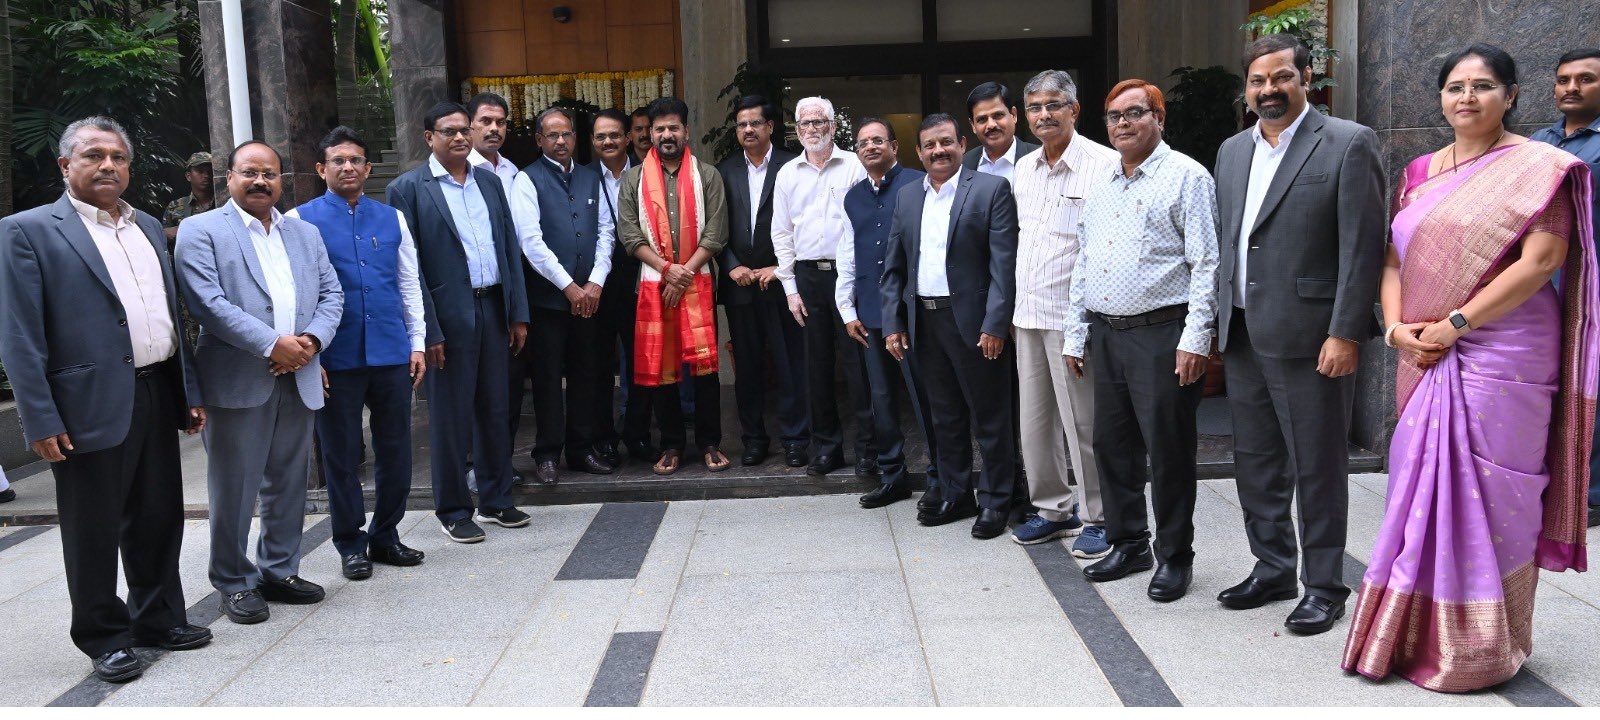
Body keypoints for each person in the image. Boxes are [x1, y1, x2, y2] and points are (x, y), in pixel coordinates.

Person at [1343, 44, 1597, 693]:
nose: (1467, 97)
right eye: (1455, 86)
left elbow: (1542, 261)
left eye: (1483, 86)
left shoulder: (1540, 169)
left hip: (1506, 352)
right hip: (1423, 350)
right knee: (1417, 482)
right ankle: (1407, 635)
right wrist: (1396, 329)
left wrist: (1455, 324)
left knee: (1497, 494)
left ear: (1510, 95)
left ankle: (1484, 645)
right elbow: (1393, 260)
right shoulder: (1419, 171)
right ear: (1440, 98)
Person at [0, 116, 210, 682]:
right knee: (92, 526)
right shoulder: (27, 230)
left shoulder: (147, 226)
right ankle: (103, 635)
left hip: (155, 389)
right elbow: (18, 335)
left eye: (118, 157)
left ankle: (158, 618)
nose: (108, 166)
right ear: (66, 165)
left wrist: (187, 390)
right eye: (93, 155)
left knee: (158, 515)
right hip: (83, 404)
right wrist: (39, 417)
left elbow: (169, 315)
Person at [1211, 35, 1386, 634]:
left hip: (1313, 338)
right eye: (1258, 80)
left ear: (1306, 78)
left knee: (1317, 466)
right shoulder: (1232, 151)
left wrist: (1346, 332)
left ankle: (1325, 585)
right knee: (1256, 462)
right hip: (1242, 332)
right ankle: (1273, 568)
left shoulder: (1348, 142)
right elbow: (1231, 240)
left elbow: (1363, 248)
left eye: (1281, 77)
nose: (1269, 89)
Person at [1063, 79, 1219, 602]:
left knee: (1168, 452)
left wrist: (1196, 338)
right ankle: (1128, 542)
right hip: (1106, 333)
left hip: (1162, 335)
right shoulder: (1103, 182)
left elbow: (1206, 263)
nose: (1123, 124)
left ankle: (1175, 556)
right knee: (1112, 446)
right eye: (1114, 116)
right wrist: (1076, 332)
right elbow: (1084, 260)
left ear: (1159, 118)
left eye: (1135, 113)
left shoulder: (1187, 177)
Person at [176, 140, 344, 623]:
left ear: (281, 181)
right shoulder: (200, 230)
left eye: (269, 173)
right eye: (249, 172)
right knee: (235, 486)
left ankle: (279, 570)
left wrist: (310, 342)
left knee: (289, 481)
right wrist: (274, 345)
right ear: (229, 177)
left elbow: (332, 293)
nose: (260, 181)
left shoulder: (304, 232)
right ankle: (233, 580)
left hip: (300, 372)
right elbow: (207, 303)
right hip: (237, 379)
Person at [385, 101, 531, 543]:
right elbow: (408, 269)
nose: (461, 137)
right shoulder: (407, 189)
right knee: (451, 417)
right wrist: (427, 330)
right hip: (446, 318)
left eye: (465, 130)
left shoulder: (489, 181)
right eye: (449, 131)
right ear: (429, 137)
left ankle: (496, 499)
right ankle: (453, 509)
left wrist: (517, 312)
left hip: (494, 307)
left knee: (496, 408)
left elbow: (509, 249)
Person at [286, 126, 428, 581]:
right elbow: (292, 293)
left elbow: (408, 283)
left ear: (368, 169)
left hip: (391, 351)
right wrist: (308, 356)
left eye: (355, 161)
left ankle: (386, 535)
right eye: (338, 160)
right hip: (333, 357)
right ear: (320, 168)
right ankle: (350, 543)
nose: (347, 167)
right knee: (342, 455)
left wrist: (417, 342)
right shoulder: (297, 220)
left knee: (396, 450)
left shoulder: (392, 218)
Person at [881, 113, 1019, 539]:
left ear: (962, 143)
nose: (938, 151)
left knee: (990, 416)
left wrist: (995, 324)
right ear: (918, 152)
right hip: (925, 321)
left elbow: (1003, 265)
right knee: (945, 416)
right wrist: (893, 322)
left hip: (976, 325)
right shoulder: (907, 196)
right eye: (929, 145)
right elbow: (894, 266)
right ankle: (957, 493)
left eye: (946, 142)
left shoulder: (991, 189)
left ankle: (997, 499)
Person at [1006, 70, 1120, 557]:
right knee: (1035, 424)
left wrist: (1085, 324)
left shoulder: (1105, 164)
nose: (1044, 114)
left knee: (1084, 425)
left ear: (1074, 109)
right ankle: (1054, 509)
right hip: (1027, 314)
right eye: (1035, 107)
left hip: (1075, 320)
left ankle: (1101, 515)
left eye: (1054, 104)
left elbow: (1109, 249)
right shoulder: (1023, 170)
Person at [616, 97, 730, 475]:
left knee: (704, 367)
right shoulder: (633, 179)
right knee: (662, 366)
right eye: (660, 128)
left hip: (699, 282)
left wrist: (684, 273)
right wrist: (668, 270)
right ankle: (671, 444)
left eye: (673, 128)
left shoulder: (707, 175)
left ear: (686, 131)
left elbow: (716, 233)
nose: (667, 134)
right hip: (654, 286)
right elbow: (629, 235)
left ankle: (710, 442)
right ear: (650, 133)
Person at [838, 117, 940, 509]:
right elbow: (847, 254)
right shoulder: (852, 197)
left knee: (924, 396)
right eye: (863, 142)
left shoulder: (919, 184)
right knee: (880, 399)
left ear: (894, 146)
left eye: (878, 140)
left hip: (913, 312)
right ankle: (892, 476)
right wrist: (847, 309)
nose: (871, 147)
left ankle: (939, 477)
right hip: (870, 313)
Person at [772, 96, 874, 478]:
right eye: (805, 123)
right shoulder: (788, 173)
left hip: (848, 275)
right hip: (807, 278)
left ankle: (868, 450)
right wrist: (790, 289)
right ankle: (827, 448)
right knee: (815, 367)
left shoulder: (854, 166)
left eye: (819, 122)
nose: (812, 129)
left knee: (858, 366)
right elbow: (781, 233)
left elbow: (864, 225)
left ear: (832, 125)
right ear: (797, 130)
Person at [514, 107, 616, 482]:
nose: (561, 141)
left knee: (586, 374)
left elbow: (606, 232)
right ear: (539, 140)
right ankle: (547, 454)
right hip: (549, 301)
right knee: (546, 379)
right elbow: (531, 242)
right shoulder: (527, 179)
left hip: (588, 299)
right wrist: (569, 287)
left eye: (567, 134)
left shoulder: (591, 177)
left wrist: (596, 282)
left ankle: (580, 449)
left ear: (575, 137)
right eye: (552, 135)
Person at [1529, 47, 1600, 528]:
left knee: (1591, 381)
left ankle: (1589, 494)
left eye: (1586, 79)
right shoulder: (1540, 141)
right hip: (1544, 281)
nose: (1571, 87)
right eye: (1563, 79)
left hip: (1593, 281)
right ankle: (1554, 482)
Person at [717, 94, 807, 467]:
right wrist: (731, 265)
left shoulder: (794, 165)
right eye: (742, 124)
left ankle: (796, 439)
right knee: (747, 368)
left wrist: (780, 267)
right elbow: (713, 226)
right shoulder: (723, 171)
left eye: (755, 123)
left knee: (789, 364)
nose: (748, 129)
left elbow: (806, 223)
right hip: (740, 285)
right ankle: (753, 439)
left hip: (782, 283)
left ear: (770, 126)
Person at [590, 109, 646, 465]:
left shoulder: (646, 173)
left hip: (639, 277)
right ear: (593, 142)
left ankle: (638, 434)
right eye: (601, 136)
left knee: (641, 362)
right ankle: (603, 439)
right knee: (597, 365)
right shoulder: (582, 178)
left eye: (614, 135)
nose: (608, 141)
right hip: (595, 284)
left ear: (627, 137)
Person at [961, 81, 1039, 183]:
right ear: (973, 125)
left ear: (1014, 115)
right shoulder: (963, 164)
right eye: (982, 119)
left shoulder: (1040, 158)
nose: (991, 125)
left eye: (998, 115)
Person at [162, 152, 216, 245]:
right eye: (200, 171)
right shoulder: (175, 206)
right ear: (188, 176)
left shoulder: (225, 203)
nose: (206, 175)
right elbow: (163, 239)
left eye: (210, 171)